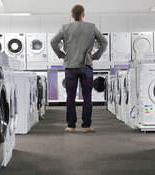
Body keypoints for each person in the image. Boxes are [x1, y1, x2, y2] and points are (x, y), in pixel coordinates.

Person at [50, 4, 108, 133]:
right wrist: (95, 56)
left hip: (70, 66)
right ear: (83, 15)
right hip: (86, 66)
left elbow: (53, 42)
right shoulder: (91, 27)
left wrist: (62, 55)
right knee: (87, 97)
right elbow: (104, 42)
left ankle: (71, 126)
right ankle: (86, 126)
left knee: (70, 96)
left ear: (72, 15)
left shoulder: (65, 27)